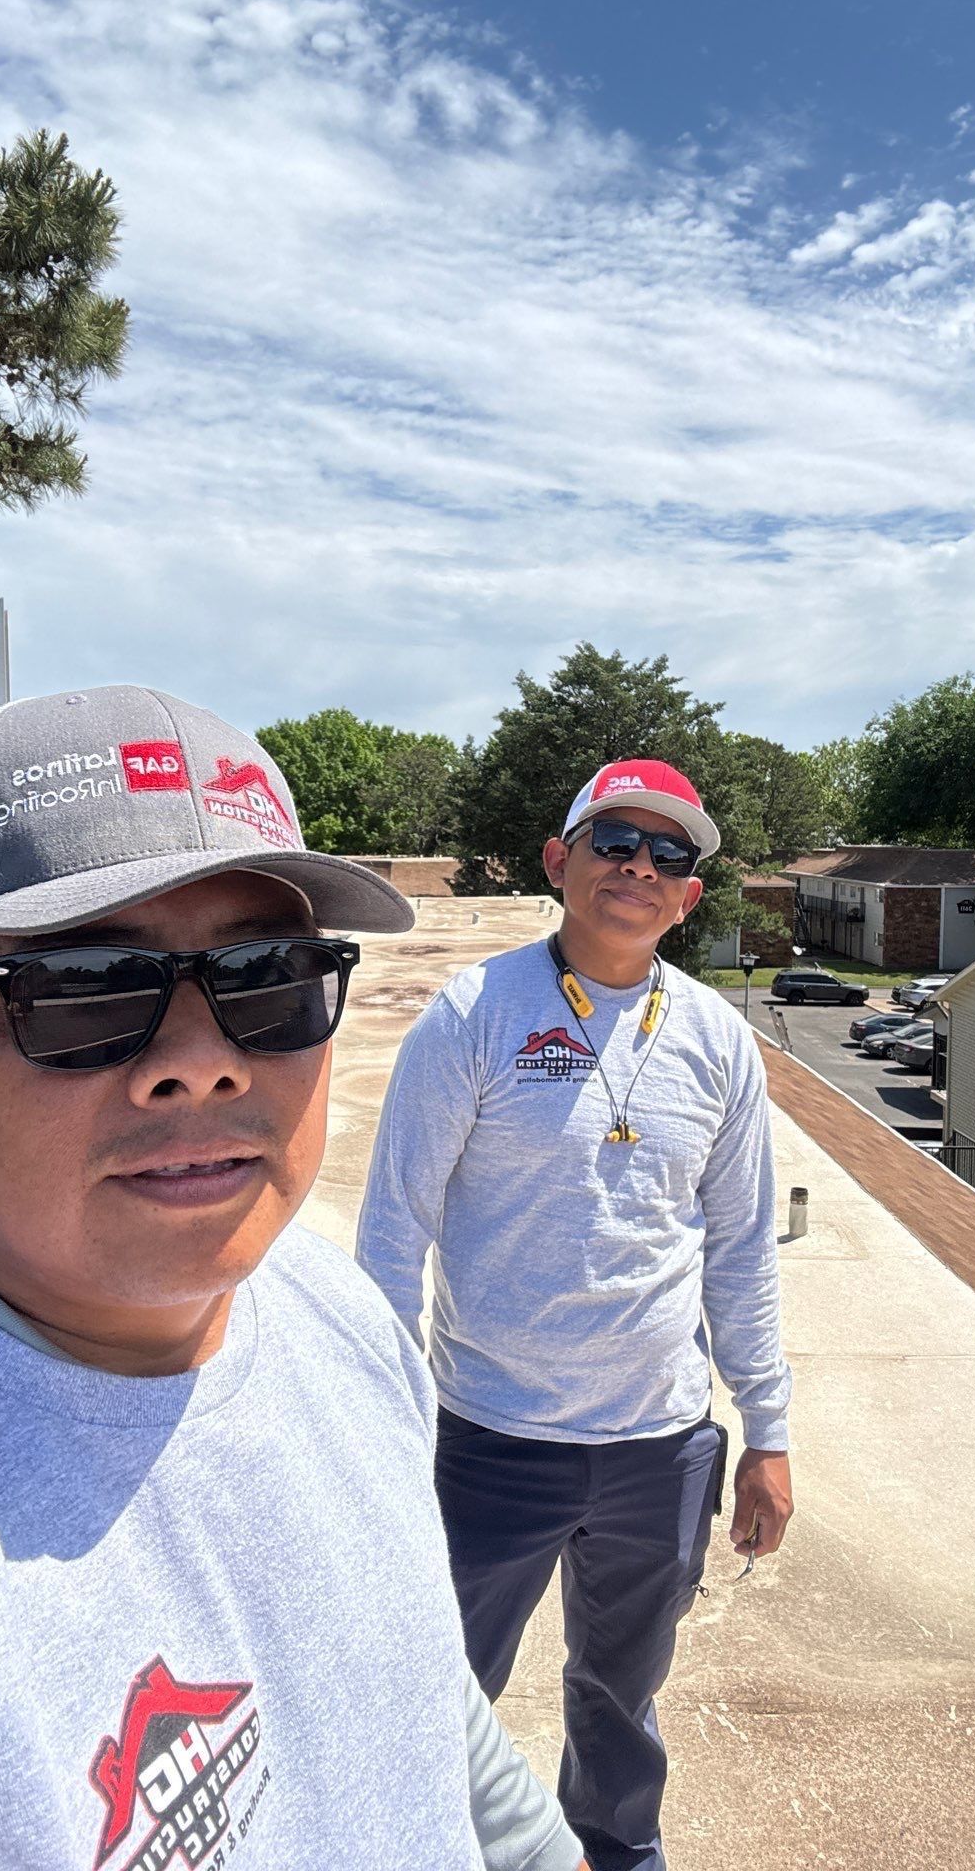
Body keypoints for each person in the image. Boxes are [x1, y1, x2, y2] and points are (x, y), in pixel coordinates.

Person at [0, 685, 586, 1871]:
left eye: (269, 979)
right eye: (86, 988)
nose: (200, 1064)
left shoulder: (334, 1314)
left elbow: (412, 1700)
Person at [357, 759, 794, 1871]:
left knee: (621, 1698)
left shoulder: (717, 1041)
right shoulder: (471, 1016)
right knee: (432, 1696)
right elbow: (392, 1235)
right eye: (615, 843)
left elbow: (741, 1251)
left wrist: (767, 1434)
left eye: (669, 856)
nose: (639, 868)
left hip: (661, 1446)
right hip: (490, 1444)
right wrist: (377, 1423)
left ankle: (614, 1851)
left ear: (690, 896)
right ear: (561, 862)